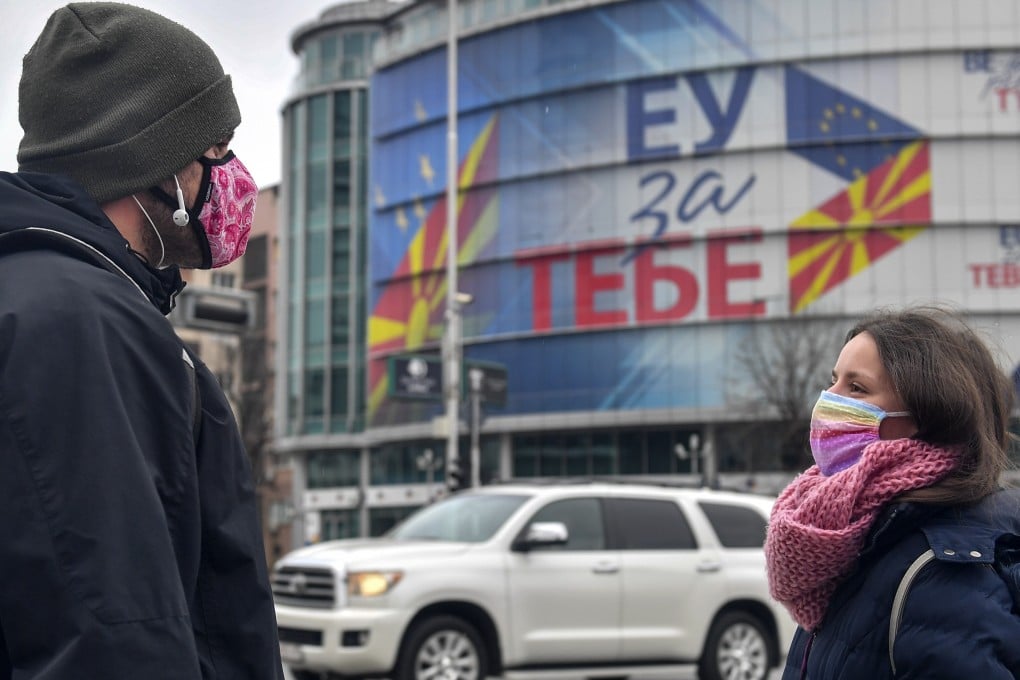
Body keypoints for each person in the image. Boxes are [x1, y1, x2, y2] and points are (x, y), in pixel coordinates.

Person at [0, 3, 283, 678]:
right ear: (151, 160)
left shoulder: (59, 298)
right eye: (214, 149)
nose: (232, 174)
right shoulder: (79, 324)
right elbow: (117, 636)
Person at [764, 307, 1020, 678]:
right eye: (833, 381)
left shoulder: (940, 573)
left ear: (921, 419)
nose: (827, 401)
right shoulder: (856, 540)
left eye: (857, 388)